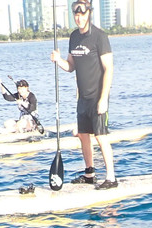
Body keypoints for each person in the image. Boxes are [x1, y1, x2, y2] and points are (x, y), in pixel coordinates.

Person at [50, 0, 117, 190]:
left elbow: (109, 68)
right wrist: (58, 60)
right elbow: (71, 67)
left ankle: (111, 177)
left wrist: (104, 99)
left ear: (89, 13)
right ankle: (90, 174)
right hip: (82, 97)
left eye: (82, 14)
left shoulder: (99, 36)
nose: (79, 18)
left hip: (98, 97)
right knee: (83, 135)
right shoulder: (74, 38)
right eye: (76, 15)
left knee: (101, 136)